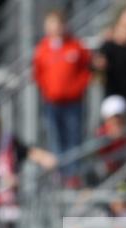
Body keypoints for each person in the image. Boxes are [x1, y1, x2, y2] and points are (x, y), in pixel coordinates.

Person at [33, 9, 92, 186]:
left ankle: (73, 175)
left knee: (73, 138)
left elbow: (86, 69)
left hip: (73, 102)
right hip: (52, 102)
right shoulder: (43, 48)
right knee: (55, 139)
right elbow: (39, 73)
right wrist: (49, 90)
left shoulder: (75, 46)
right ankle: (60, 176)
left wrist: (77, 88)